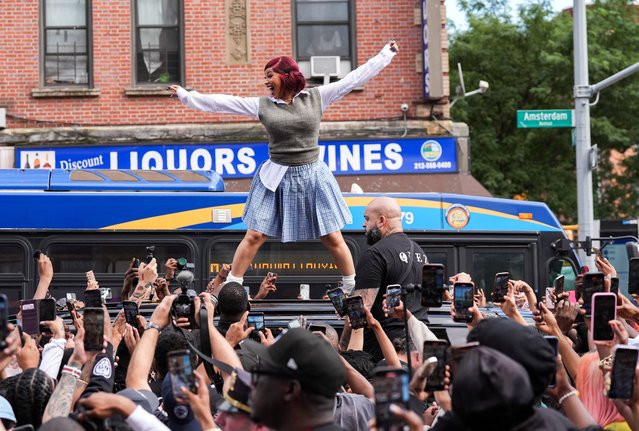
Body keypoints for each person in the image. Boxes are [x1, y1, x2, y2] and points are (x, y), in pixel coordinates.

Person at [169, 40, 399, 293]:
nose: (266, 81)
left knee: (332, 236)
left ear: (286, 76)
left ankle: (352, 287)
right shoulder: (262, 105)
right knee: (255, 235)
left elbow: (353, 79)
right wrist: (187, 96)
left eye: (270, 76)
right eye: (265, 77)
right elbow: (222, 103)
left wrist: (384, 54)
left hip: (312, 175)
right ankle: (233, 286)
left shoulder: (316, 97)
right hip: (276, 177)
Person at [351, 196, 429, 362]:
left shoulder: (375, 254)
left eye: (366, 219)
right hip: (419, 348)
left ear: (381, 221)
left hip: (385, 351)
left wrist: (345, 346)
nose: (364, 225)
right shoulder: (420, 252)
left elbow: (359, 310)